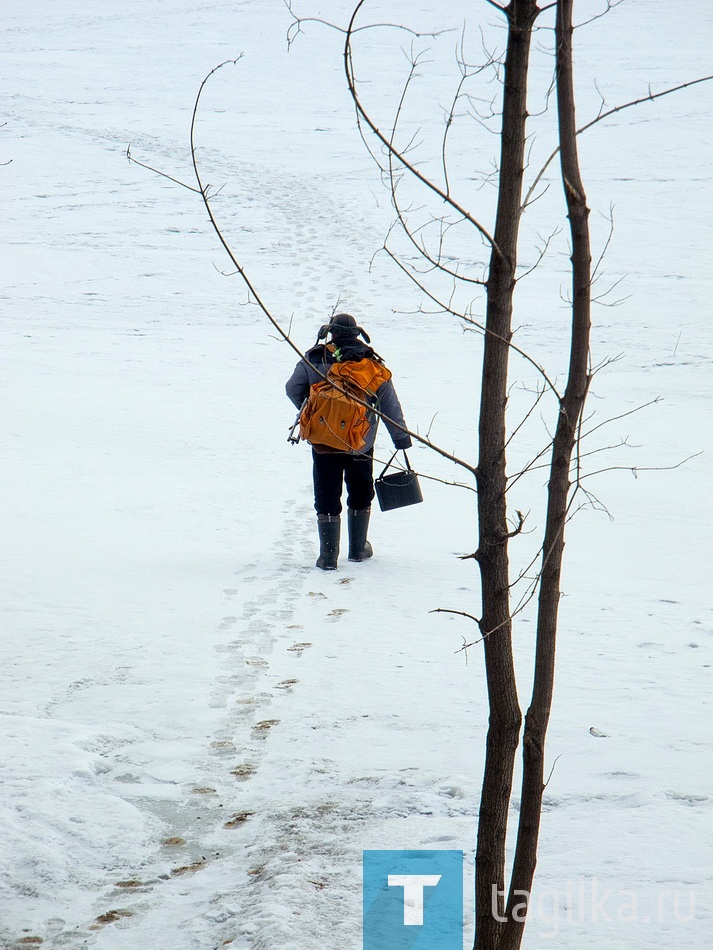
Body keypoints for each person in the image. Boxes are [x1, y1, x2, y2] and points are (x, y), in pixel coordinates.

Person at [285, 313, 412, 570]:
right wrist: (401, 439)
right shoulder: (373, 366)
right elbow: (390, 406)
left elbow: (292, 388)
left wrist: (312, 412)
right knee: (360, 490)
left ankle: (328, 556)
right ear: (357, 334)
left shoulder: (314, 359)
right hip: (361, 442)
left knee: (326, 493)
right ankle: (357, 549)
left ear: (330, 333)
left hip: (324, 441)